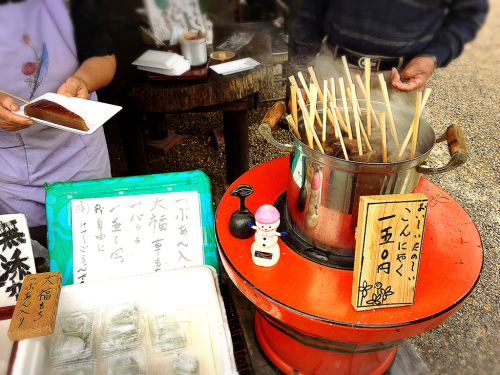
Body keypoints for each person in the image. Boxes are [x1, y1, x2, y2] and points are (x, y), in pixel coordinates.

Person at [0, 0, 116, 227]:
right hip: (12, 167)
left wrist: (83, 81)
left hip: (82, 153)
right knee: (34, 254)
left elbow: (103, 56)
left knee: (94, 237)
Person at [289, 0, 488, 106]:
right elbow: (309, 13)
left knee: (386, 165)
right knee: (324, 158)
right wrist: (301, 77)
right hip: (332, 70)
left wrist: (433, 56)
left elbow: (468, 14)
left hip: (399, 79)